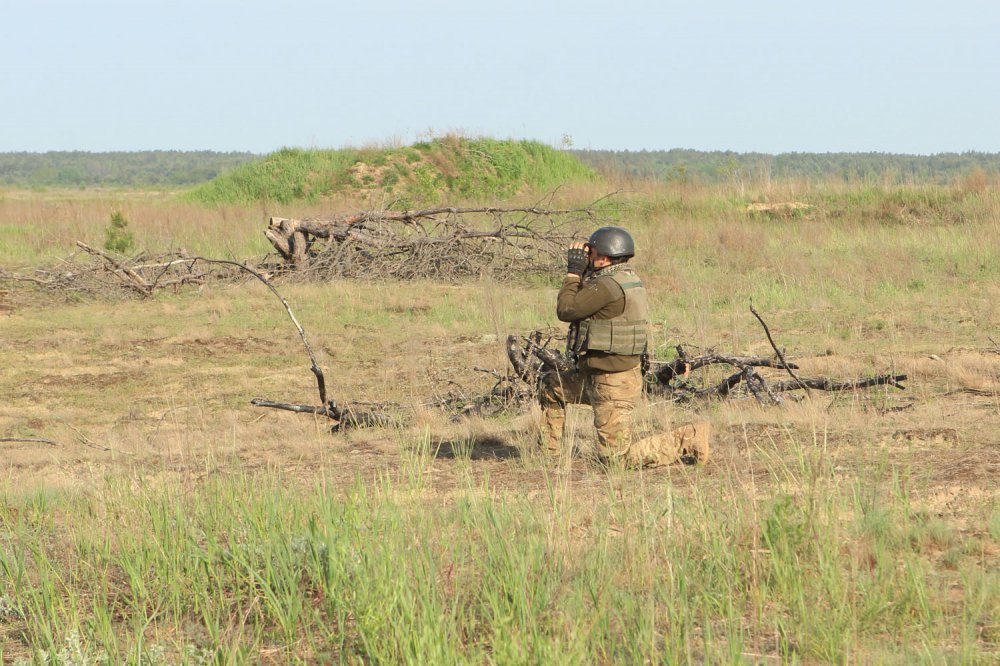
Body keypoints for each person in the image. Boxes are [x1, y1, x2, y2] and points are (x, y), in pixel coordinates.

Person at [538, 226, 711, 466]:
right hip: (600, 376)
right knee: (551, 385)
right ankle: (549, 456)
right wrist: (587, 270)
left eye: (592, 252)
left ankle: (687, 438)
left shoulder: (607, 286)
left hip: (612, 384)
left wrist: (573, 273)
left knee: (616, 460)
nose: (588, 256)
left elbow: (567, 309)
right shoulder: (624, 278)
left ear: (605, 258)